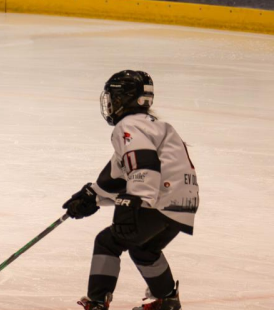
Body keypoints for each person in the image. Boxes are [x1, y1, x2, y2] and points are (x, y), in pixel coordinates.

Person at [62, 70, 199, 310]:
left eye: (114, 98)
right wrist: (93, 196)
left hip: (158, 200)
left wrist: (137, 199)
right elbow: (120, 173)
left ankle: (96, 302)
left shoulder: (129, 126)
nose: (111, 104)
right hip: (183, 204)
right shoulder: (154, 126)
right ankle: (166, 300)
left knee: (107, 242)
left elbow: (143, 164)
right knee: (145, 249)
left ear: (124, 99)